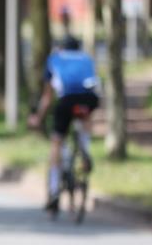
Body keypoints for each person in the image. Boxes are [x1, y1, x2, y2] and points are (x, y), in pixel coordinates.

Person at [28, 37, 101, 213]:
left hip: (66, 100)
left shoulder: (55, 58)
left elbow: (47, 97)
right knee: (85, 119)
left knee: (57, 141)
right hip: (89, 100)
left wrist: (38, 118)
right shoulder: (86, 58)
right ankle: (84, 150)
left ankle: (53, 191)